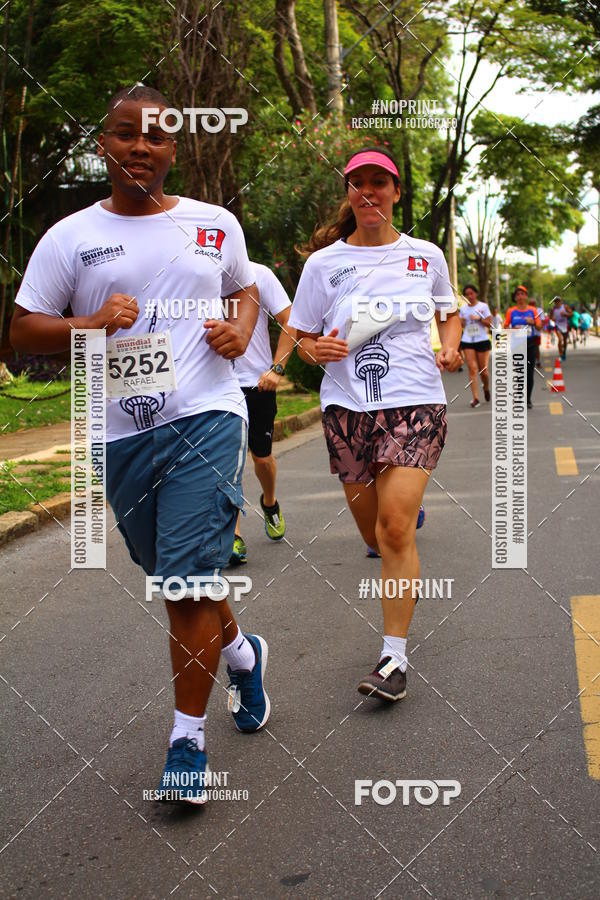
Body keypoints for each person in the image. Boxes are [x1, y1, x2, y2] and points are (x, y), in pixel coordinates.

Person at [9, 86, 270, 805]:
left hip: (207, 416)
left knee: (184, 582)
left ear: (173, 149)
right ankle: (242, 656)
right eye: (126, 134)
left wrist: (241, 329)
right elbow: (24, 328)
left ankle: (187, 744)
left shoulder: (213, 223)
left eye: (155, 136)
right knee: (178, 580)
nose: (140, 147)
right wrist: (89, 324)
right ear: (104, 144)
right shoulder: (70, 237)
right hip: (118, 433)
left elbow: (245, 290)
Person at [288, 146, 462, 702]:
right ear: (349, 192)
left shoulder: (425, 255)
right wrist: (315, 350)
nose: (368, 191)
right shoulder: (324, 264)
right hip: (347, 409)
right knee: (374, 535)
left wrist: (450, 346)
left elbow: (449, 311)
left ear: (395, 191)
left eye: (379, 182)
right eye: (357, 182)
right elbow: (299, 336)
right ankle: (400, 535)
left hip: (415, 403)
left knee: (393, 529)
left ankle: (393, 658)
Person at [230, 261, 296, 564]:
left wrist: (277, 369)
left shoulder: (259, 274)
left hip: (256, 383)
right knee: (225, 461)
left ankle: (269, 503)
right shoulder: (195, 272)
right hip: (215, 387)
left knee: (262, 459)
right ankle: (232, 535)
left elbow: (290, 320)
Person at [504, 285, 541, 409]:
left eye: (522, 294)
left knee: (529, 372)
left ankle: (528, 399)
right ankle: (519, 397)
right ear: (515, 298)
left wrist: (533, 322)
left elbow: (540, 326)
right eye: (518, 295)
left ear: (526, 296)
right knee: (520, 371)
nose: (520, 296)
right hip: (517, 344)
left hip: (531, 344)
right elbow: (505, 326)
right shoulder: (511, 311)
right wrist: (512, 329)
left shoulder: (533, 310)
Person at [458, 283, 492, 408]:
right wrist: (461, 321)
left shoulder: (483, 306)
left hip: (482, 339)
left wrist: (479, 319)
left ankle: (486, 388)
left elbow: (489, 323)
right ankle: (476, 398)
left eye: (471, 293)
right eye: (467, 294)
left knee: (484, 371)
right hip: (468, 340)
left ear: (476, 293)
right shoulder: (463, 309)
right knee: (472, 369)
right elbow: (460, 325)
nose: (469, 296)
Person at [550, 296, 572, 361]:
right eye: (555, 301)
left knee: (565, 341)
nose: (557, 303)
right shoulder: (553, 309)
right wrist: (552, 318)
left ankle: (564, 352)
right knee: (560, 339)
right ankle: (561, 354)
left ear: (561, 301)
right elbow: (550, 316)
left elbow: (571, 314)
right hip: (557, 326)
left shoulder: (565, 307)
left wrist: (565, 314)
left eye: (558, 301)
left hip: (565, 325)